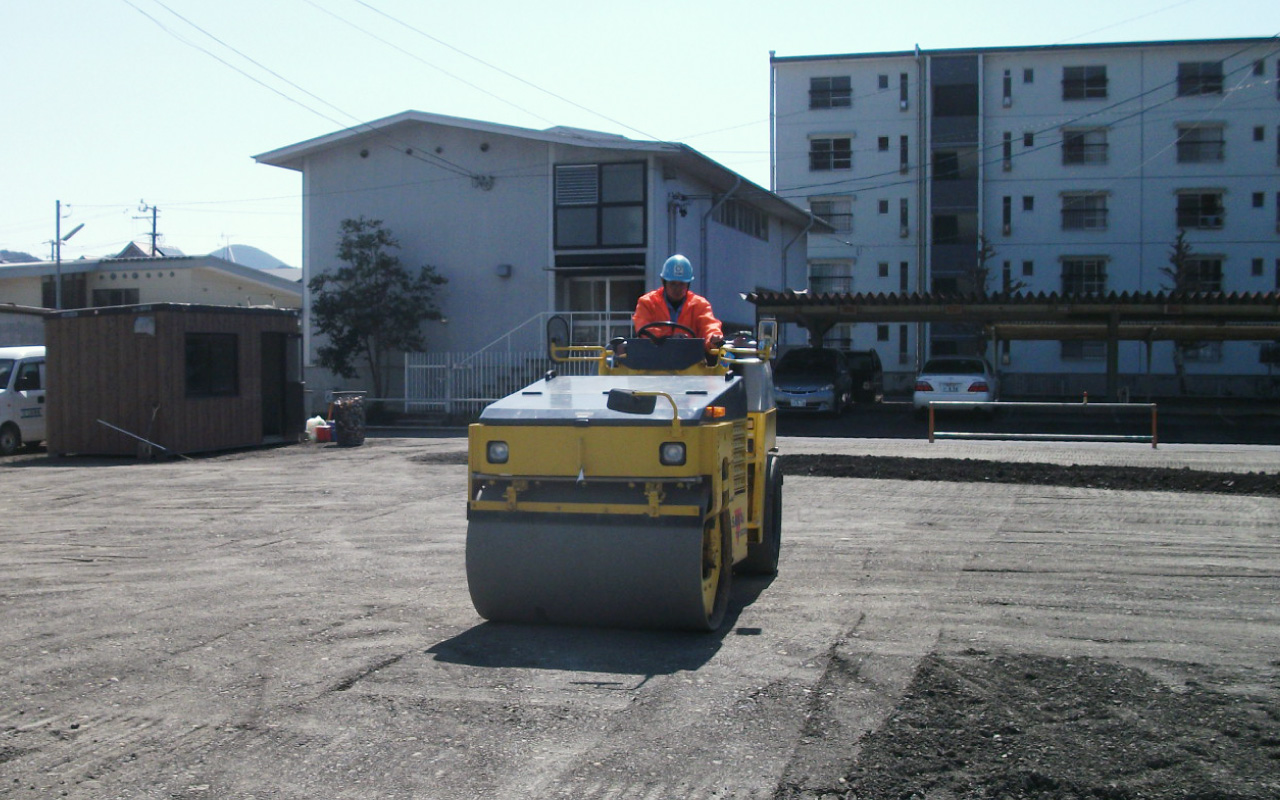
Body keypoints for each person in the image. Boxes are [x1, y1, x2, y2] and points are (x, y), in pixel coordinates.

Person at [632, 254, 724, 351]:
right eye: (673, 284)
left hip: (692, 360)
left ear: (688, 284)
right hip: (654, 360)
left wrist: (713, 337)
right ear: (664, 282)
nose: (677, 289)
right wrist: (669, 338)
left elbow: (709, 325)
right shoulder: (647, 303)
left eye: (681, 284)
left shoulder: (700, 305)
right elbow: (643, 329)